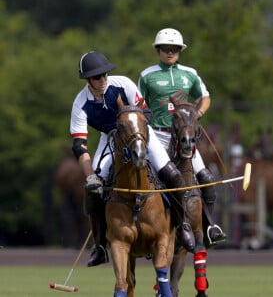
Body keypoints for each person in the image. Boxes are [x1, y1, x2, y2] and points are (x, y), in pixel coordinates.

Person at [70, 51, 195, 267]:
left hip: (139, 133)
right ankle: (100, 245)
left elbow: (146, 113)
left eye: (104, 75)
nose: (102, 80)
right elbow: (79, 145)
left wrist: (134, 132)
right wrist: (90, 176)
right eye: (96, 77)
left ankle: (182, 225)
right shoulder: (81, 104)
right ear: (87, 80)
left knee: (173, 176)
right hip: (109, 139)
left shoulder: (123, 84)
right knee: (93, 190)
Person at [138, 28, 226, 246]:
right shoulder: (147, 75)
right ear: (158, 50)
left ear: (180, 51)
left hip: (183, 137)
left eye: (175, 49)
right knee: (146, 179)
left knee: (205, 178)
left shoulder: (189, 73)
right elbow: (138, 102)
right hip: (157, 136)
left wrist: (197, 114)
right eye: (166, 49)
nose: (170, 53)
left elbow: (204, 97)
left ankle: (208, 227)